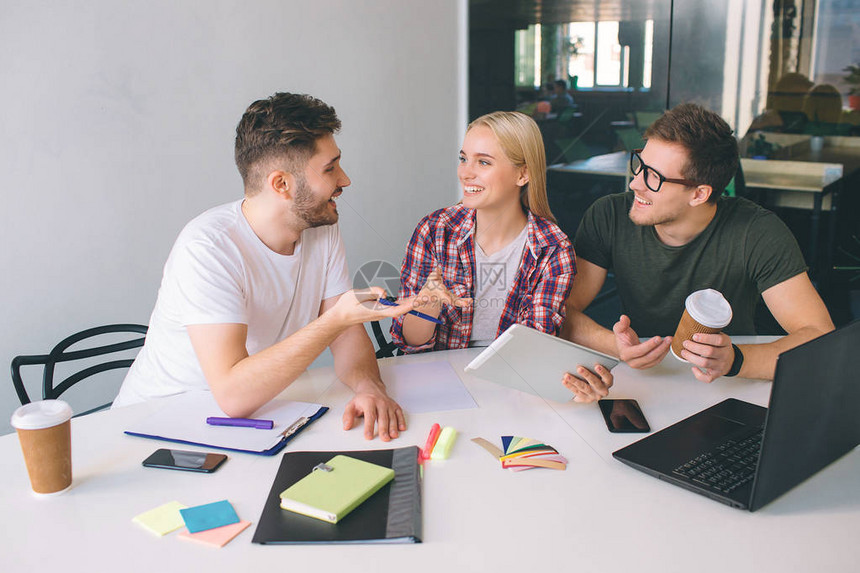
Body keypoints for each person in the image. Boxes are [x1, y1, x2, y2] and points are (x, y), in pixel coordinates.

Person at [113, 93, 415, 441]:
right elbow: (232, 395)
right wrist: (335, 320)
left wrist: (369, 387)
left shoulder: (321, 228)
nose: (344, 180)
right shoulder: (208, 248)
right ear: (281, 184)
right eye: (330, 168)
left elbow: (347, 334)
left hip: (248, 422)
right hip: (156, 426)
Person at [559, 103, 834, 402]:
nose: (636, 183)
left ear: (699, 194)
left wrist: (735, 360)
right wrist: (615, 345)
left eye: (655, 177)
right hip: (641, 383)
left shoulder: (757, 231)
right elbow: (560, 310)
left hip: (726, 388)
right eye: (639, 164)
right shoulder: (608, 215)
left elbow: (819, 338)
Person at [390, 111, 575, 352]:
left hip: (510, 374)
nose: (465, 173)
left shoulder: (552, 248)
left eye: (484, 162)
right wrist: (428, 302)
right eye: (463, 158)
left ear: (523, 174)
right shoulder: (435, 230)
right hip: (437, 375)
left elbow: (534, 347)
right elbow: (410, 343)